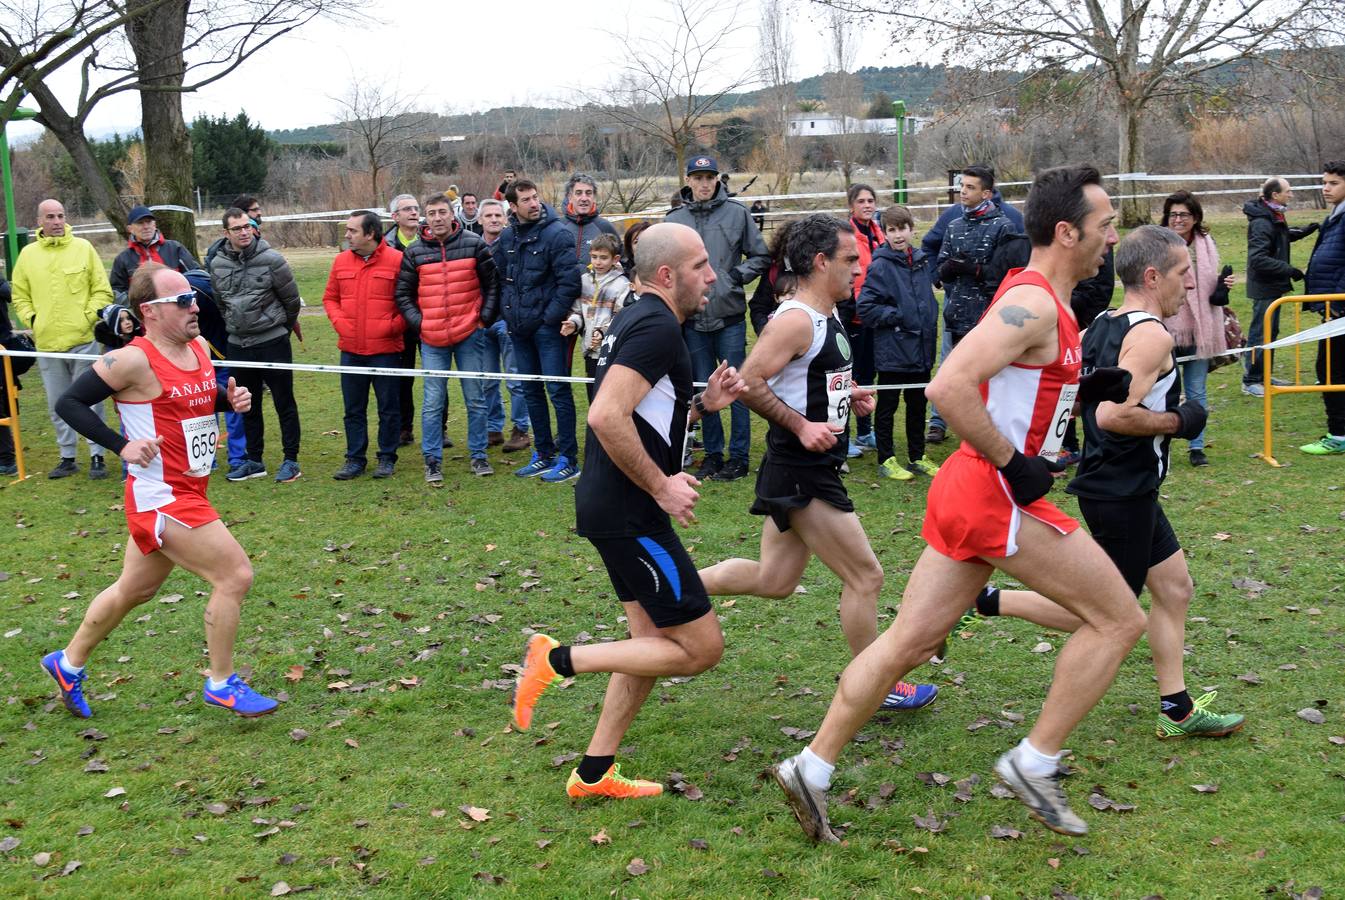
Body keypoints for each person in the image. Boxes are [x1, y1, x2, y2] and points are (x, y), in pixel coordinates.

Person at [771, 165, 1148, 843]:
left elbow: (1015, 384)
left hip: (970, 490)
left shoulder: (1044, 302)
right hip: (994, 493)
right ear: (1065, 232)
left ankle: (810, 767)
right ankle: (1033, 763)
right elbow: (948, 385)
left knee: (906, 645)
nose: (1110, 241)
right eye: (1104, 227)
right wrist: (1018, 466)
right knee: (1118, 620)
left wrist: (1084, 387)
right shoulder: (1033, 302)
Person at [956, 226, 1245, 739]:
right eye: (1183, 275)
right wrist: (1182, 421)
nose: (1190, 285)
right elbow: (1114, 415)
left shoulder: (1099, 325)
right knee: (1109, 613)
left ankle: (1176, 706)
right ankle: (987, 602)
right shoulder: (1151, 334)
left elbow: (1079, 395)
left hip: (1127, 488)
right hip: (1120, 492)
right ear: (1153, 276)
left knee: (1175, 589)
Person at [509, 223, 747, 798]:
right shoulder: (658, 325)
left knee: (648, 643)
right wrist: (661, 485)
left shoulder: (638, 317)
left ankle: (593, 773)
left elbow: (645, 415)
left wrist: (702, 408)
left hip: (613, 506)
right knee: (699, 649)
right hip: (631, 512)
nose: (712, 276)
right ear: (666, 275)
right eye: (699, 266)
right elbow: (606, 416)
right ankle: (555, 659)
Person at [697, 214, 938, 711]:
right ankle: (877, 685)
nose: (859, 269)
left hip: (806, 467)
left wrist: (847, 394)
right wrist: (803, 426)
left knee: (774, 581)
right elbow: (749, 381)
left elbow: (805, 377)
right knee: (866, 577)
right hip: (801, 470)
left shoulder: (824, 316)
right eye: (851, 260)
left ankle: (673, 590)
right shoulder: (796, 319)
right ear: (820, 262)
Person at [40, 262, 279, 719]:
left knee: (134, 590)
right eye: (183, 300)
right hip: (162, 498)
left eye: (194, 296)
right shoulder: (132, 359)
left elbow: (188, 403)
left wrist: (229, 401)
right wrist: (121, 445)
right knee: (235, 576)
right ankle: (222, 683)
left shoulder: (198, 349)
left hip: (191, 488)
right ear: (149, 311)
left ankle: (67, 664)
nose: (195, 305)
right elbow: (68, 402)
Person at [667, 154, 771, 482]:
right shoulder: (675, 219)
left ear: (717, 180)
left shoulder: (737, 214)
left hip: (729, 316)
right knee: (702, 387)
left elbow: (760, 255)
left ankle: (738, 457)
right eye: (697, 178)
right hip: (693, 319)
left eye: (709, 177)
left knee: (735, 386)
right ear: (689, 181)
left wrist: (734, 277)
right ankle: (712, 454)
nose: (704, 184)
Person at [396, 192, 500, 480]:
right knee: (433, 402)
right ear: (425, 217)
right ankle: (432, 459)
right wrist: (421, 324)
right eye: (432, 213)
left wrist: (483, 319)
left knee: (475, 398)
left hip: (469, 334)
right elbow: (403, 294)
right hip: (432, 338)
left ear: (452, 214)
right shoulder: (414, 251)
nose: (438, 218)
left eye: (442, 212)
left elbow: (492, 284)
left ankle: (478, 455)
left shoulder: (474, 243)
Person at [9, 199, 114, 479]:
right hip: (48, 345)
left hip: (83, 340)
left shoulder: (84, 249)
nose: (57, 221)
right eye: (51, 217)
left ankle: (97, 455)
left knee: (92, 401)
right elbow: (19, 295)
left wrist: (87, 317)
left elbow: (102, 291)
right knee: (58, 403)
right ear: (40, 221)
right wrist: (33, 319)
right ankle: (67, 456)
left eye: (60, 215)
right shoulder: (28, 255)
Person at [922, 164, 1024, 445]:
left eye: (970, 187)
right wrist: (943, 272)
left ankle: (994, 436)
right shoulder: (953, 225)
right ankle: (944, 423)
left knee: (991, 380)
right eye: (961, 186)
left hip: (990, 318)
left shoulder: (1004, 226)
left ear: (986, 193)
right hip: (957, 315)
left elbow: (1009, 273)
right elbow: (940, 260)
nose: (962, 192)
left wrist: (976, 270)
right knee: (953, 375)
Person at [492, 178, 584, 484]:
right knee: (531, 392)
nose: (534, 204)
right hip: (518, 330)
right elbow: (501, 278)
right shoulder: (506, 238)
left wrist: (548, 319)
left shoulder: (557, 234)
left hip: (548, 331)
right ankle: (543, 453)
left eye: (535, 197)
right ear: (512, 206)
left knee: (558, 391)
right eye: (526, 200)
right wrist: (507, 314)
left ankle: (568, 458)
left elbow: (569, 282)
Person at [209, 206, 303, 483]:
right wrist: (237, 327)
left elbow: (292, 301)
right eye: (237, 228)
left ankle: (291, 460)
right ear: (226, 232)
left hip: (273, 342)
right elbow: (221, 303)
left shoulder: (273, 260)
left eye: (247, 225)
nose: (244, 231)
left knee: (284, 402)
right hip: (238, 346)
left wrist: (279, 330)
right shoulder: (217, 264)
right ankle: (254, 460)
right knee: (246, 404)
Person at [857, 205, 940, 481]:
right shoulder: (880, 265)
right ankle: (886, 458)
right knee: (888, 405)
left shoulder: (921, 261)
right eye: (891, 229)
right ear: (885, 233)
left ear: (911, 229)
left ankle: (917, 456)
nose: (897, 234)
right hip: (893, 349)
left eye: (902, 228)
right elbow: (866, 307)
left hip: (921, 349)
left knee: (918, 405)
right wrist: (898, 316)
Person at [322, 210, 405, 480]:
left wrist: (392, 326)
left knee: (389, 407)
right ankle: (355, 458)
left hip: (386, 351)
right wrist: (340, 323)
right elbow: (330, 298)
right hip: (351, 349)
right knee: (353, 408)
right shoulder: (341, 262)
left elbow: (408, 302)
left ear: (371, 233)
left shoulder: (398, 260)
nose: (347, 235)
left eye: (353, 231)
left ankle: (387, 457)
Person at [1159, 191, 1233, 467]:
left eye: (1184, 215)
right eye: (1173, 214)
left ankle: (1196, 446)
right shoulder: (1158, 241)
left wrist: (1223, 285)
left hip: (1202, 327)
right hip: (1167, 325)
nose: (1178, 219)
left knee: (1196, 390)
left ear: (1195, 217)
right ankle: (1160, 442)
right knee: (1164, 389)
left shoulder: (1206, 243)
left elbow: (1210, 281)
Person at [1242, 176, 1316, 396]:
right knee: (1260, 333)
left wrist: (1302, 232)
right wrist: (1289, 270)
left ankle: (1264, 375)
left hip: (1273, 285)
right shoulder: (1262, 221)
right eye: (1288, 191)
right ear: (1275, 195)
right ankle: (1251, 380)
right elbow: (1258, 259)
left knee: (1271, 332)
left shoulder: (1272, 214)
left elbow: (1278, 236)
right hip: (1264, 287)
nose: (1291, 194)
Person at [478, 199, 531, 452]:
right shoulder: (472, 245)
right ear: (480, 220)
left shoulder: (514, 244)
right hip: (481, 321)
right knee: (488, 379)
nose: (493, 219)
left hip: (508, 320)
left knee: (514, 379)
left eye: (498, 214)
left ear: (505, 217)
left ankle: (521, 428)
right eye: (488, 215)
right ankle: (493, 427)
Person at [1300, 161, 1345, 456]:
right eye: (1324, 182)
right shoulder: (1336, 216)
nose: (1325, 188)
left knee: (1330, 370)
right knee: (1329, 369)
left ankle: (1338, 435)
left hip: (1340, 310)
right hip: (1331, 309)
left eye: (1333, 183)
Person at [838, 184, 884, 456]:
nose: (867, 205)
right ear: (851, 205)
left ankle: (865, 432)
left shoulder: (879, 233)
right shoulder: (846, 235)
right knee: (847, 377)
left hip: (874, 318)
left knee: (868, 376)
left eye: (871, 200)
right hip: (851, 315)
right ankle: (841, 437)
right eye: (861, 201)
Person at [384, 193, 429, 448]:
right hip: (400, 320)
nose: (414, 212)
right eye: (407, 209)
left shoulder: (431, 239)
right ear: (395, 217)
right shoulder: (386, 245)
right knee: (402, 376)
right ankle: (404, 427)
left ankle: (440, 428)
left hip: (429, 317)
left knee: (435, 376)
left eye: (416, 207)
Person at [563, 234, 630, 402]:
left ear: (615, 259)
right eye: (594, 257)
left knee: (610, 399)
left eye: (603, 258)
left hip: (611, 351)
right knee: (593, 397)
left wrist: (602, 332)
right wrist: (573, 323)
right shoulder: (584, 280)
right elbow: (578, 310)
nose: (598, 262)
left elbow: (621, 316)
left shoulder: (622, 284)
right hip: (589, 350)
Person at [110, 206, 199, 298]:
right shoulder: (122, 259)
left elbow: (196, 276)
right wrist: (132, 307)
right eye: (140, 223)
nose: (146, 227)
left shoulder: (175, 248)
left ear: (154, 224)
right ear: (130, 229)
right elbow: (116, 291)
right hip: (141, 309)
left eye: (149, 222)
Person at [558, 174, 618, 261]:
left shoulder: (605, 227)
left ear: (594, 197)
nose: (584, 198)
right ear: (570, 197)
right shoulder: (558, 227)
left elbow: (622, 260)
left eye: (588, 193)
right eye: (578, 193)